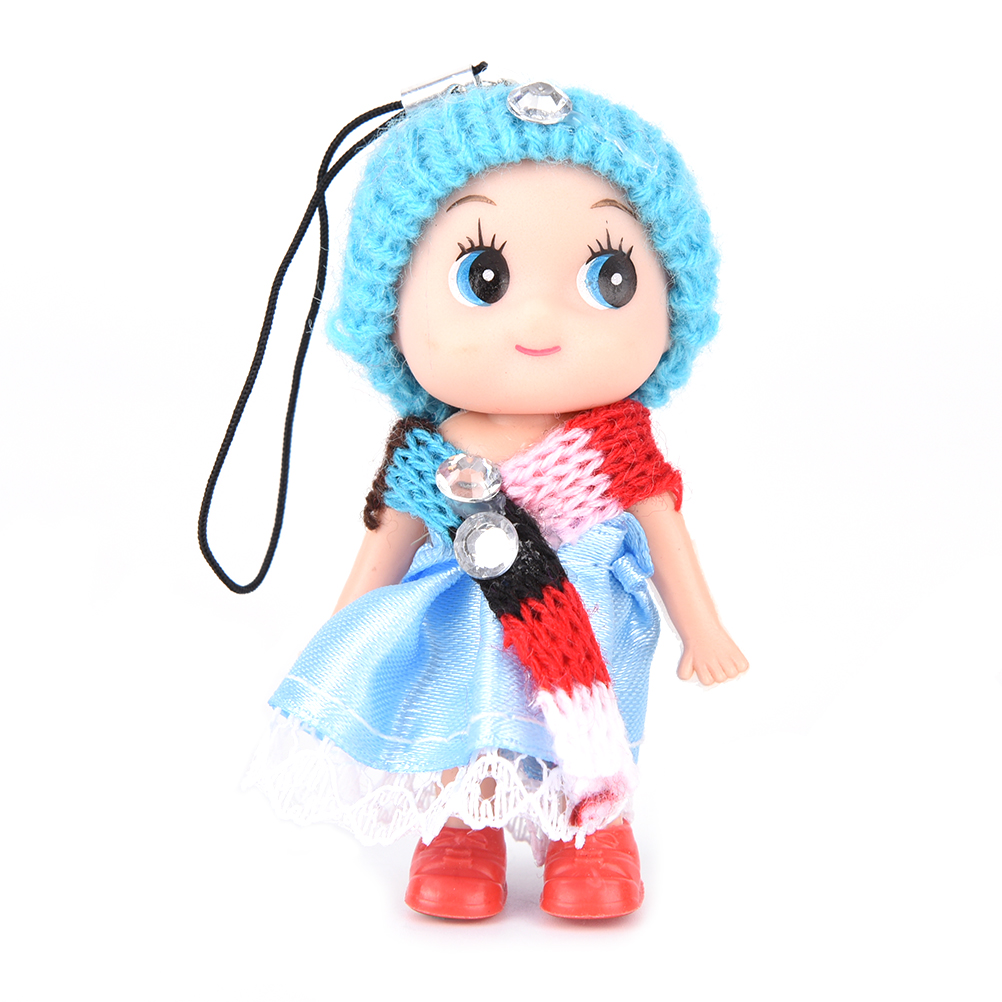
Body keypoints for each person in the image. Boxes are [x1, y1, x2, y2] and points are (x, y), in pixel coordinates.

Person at [242, 77, 748, 920]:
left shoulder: (620, 450)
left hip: (591, 625)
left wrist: (704, 628)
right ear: (392, 306)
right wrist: (344, 640)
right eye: (486, 277)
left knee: (582, 741)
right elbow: (382, 553)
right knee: (465, 726)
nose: (540, 323)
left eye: (610, 278)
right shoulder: (428, 459)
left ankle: (593, 826)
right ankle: (460, 825)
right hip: (464, 633)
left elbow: (667, 537)